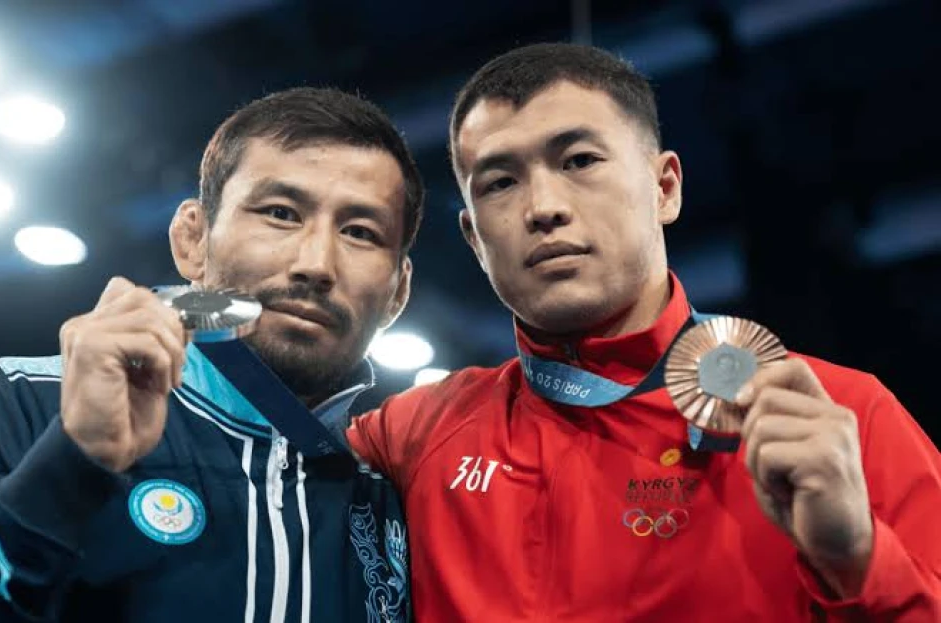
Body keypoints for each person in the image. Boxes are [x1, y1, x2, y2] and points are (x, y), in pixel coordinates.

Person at [348, 43, 941, 622]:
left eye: (579, 161)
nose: (543, 207)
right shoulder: (413, 437)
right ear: (475, 240)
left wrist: (855, 560)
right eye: (500, 182)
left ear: (665, 188)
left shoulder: (842, 415)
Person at [0, 86, 422, 623]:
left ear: (398, 292)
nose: (316, 264)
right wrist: (73, 461)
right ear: (193, 240)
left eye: (360, 232)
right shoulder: (18, 402)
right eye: (281, 213)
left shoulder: (397, 492)